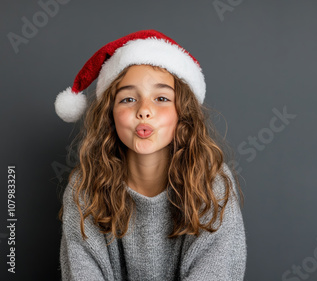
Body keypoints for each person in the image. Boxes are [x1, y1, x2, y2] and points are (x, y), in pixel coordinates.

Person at [55, 30, 246, 280]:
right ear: (109, 114)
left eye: (162, 98)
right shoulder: (85, 189)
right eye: (129, 99)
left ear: (183, 113)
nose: (144, 110)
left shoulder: (213, 185)